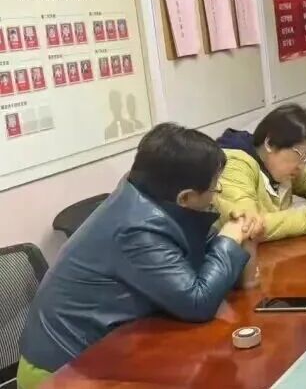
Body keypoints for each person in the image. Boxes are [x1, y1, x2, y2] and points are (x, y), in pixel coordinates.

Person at [17, 123, 259, 389]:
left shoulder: (156, 198)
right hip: (62, 368)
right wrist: (230, 239)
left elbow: (230, 276)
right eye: (214, 188)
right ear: (185, 197)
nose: (216, 196)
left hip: (116, 349)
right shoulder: (136, 228)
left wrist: (243, 234)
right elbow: (198, 302)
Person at [215, 103, 306, 240]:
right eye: (302, 156)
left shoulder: (279, 163)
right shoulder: (233, 166)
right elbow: (248, 225)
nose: (303, 166)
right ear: (270, 143)